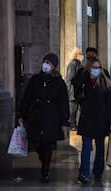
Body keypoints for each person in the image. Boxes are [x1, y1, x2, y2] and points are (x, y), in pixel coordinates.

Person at [18, 53, 69, 183]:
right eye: (45, 62)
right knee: (36, 142)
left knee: (47, 144)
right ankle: (43, 159)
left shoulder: (59, 82)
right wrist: (22, 115)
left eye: (50, 63)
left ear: (54, 66)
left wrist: (64, 121)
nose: (46, 65)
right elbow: (27, 98)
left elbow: (64, 103)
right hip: (36, 116)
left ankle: (45, 171)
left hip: (51, 118)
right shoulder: (35, 80)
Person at [72, 58, 111, 184]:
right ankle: (84, 173)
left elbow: (110, 105)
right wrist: (85, 74)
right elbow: (75, 84)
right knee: (86, 147)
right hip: (87, 119)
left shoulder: (106, 84)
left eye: (98, 67)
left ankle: (98, 172)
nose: (96, 70)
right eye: (94, 67)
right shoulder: (84, 81)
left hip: (101, 120)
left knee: (100, 147)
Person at [65, 48, 83, 130]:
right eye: (80, 54)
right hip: (73, 91)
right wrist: (69, 91)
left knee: (76, 109)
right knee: (73, 109)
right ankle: (72, 125)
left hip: (77, 91)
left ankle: (75, 124)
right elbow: (69, 78)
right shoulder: (73, 64)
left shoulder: (79, 64)